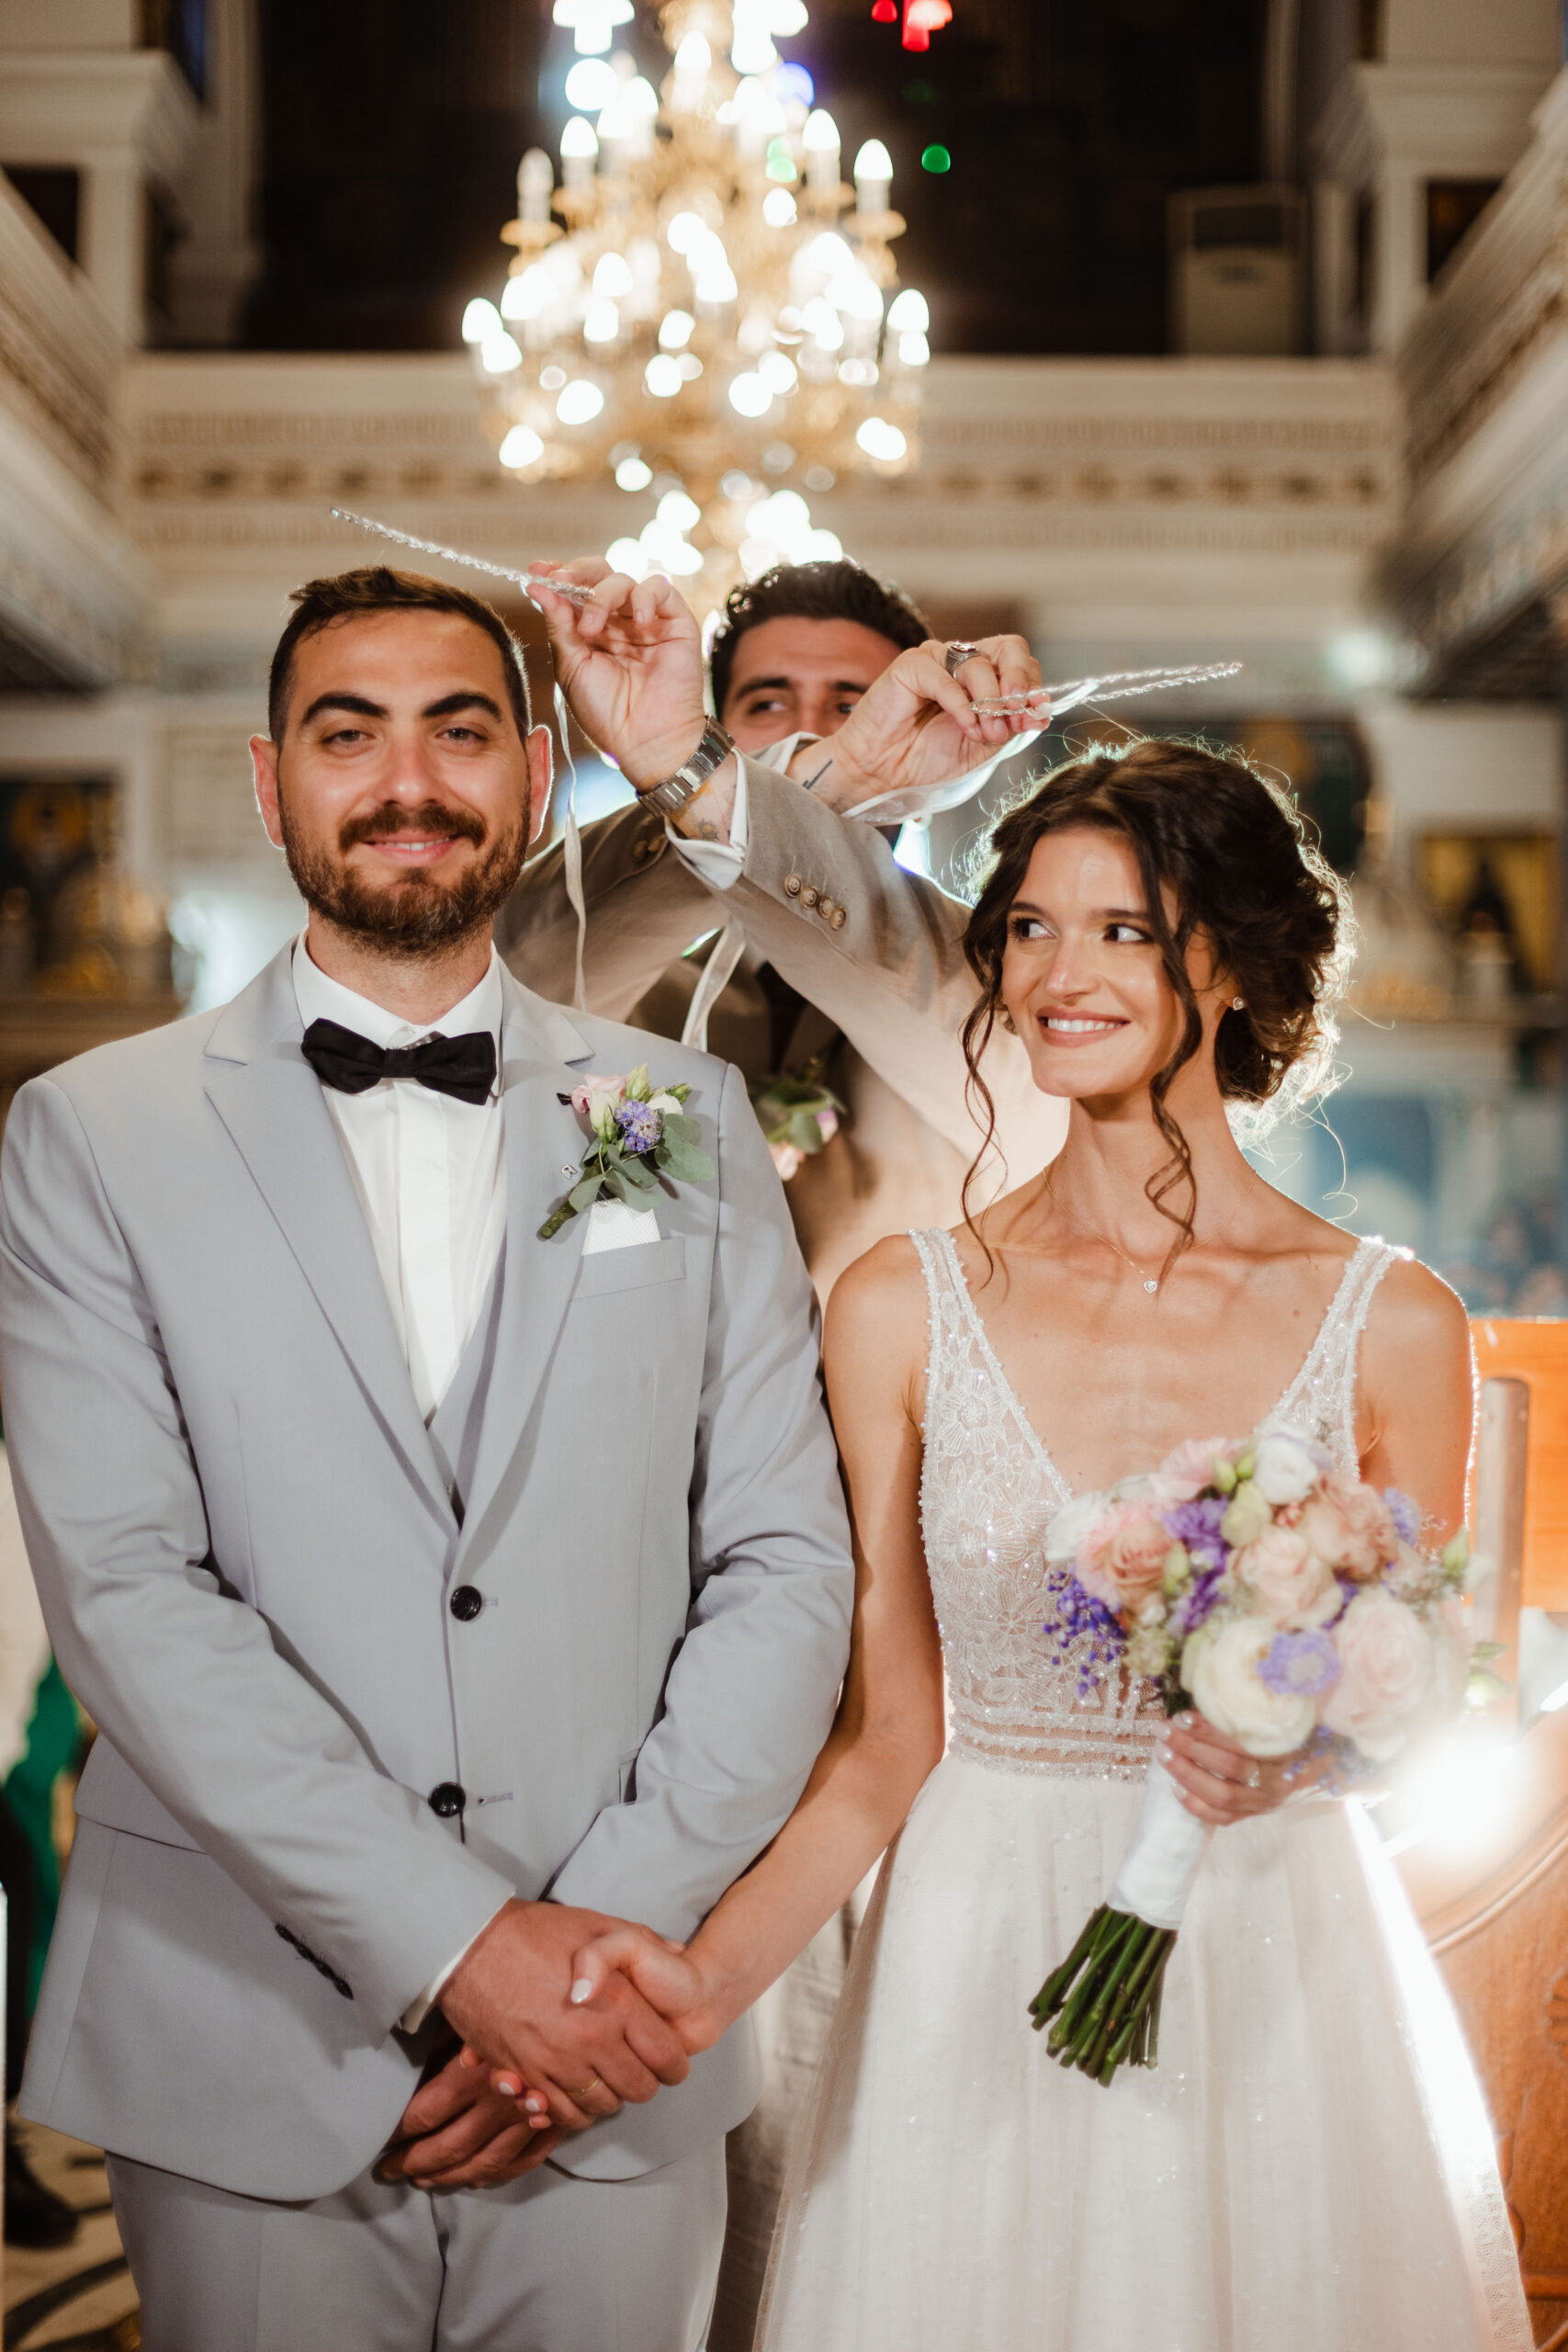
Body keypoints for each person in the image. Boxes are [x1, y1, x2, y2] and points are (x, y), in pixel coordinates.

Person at [530, 728, 1531, 2350]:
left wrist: (1295, 1759)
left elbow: (1436, 1708)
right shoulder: (896, 1306)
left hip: (1266, 1956)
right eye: (1029, 928)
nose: (1060, 975)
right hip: (967, 1954)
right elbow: (883, 1743)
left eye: (1123, 929)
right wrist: (705, 1983)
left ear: (1234, 964)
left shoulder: (1392, 1321)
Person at [0, 563, 853, 2349]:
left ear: (535, 777)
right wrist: (468, 1949)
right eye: (349, 733)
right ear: (270, 783)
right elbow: (129, 1597)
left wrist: (593, 1953)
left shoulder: (658, 1115)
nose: (408, 781)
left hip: (618, 2037)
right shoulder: (94, 1132)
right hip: (247, 2030)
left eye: (459, 732)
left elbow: (779, 1560)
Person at [499, 558, 1066, 1299]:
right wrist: (826, 774)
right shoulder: (617, 985)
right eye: (768, 704)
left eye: (852, 705)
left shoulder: (998, 989)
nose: (808, 731)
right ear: (714, 732)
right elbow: (498, 982)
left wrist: (772, 793)